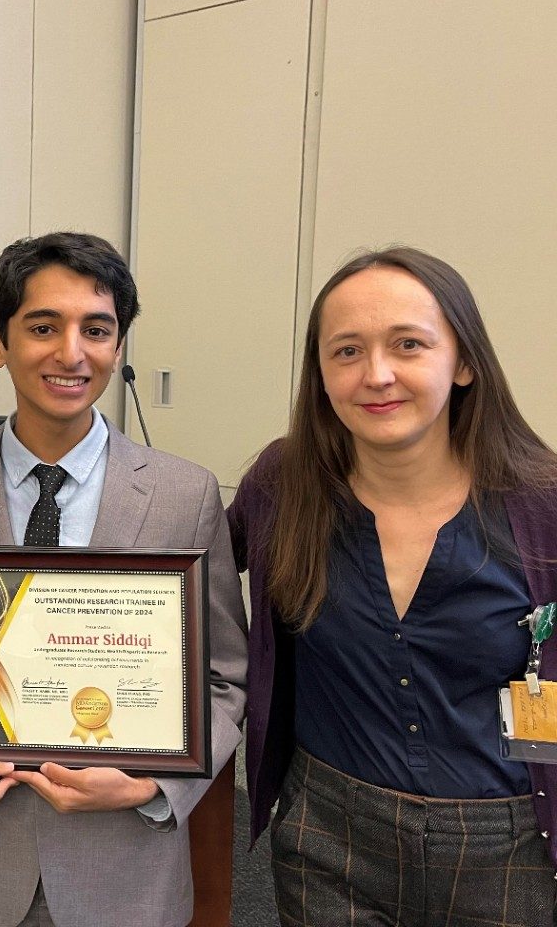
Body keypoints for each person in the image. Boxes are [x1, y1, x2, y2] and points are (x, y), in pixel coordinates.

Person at [0, 231, 248, 927]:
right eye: (43, 327)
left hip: (124, 868)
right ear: (0, 343)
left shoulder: (185, 494)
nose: (71, 352)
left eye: (97, 329)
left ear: (118, 345)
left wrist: (151, 783)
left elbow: (223, 676)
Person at [229, 246, 557, 925]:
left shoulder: (542, 504)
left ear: (464, 362)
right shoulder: (283, 486)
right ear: (319, 374)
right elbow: (168, 586)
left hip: (508, 846)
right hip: (329, 835)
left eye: (408, 344)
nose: (376, 375)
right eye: (346, 351)